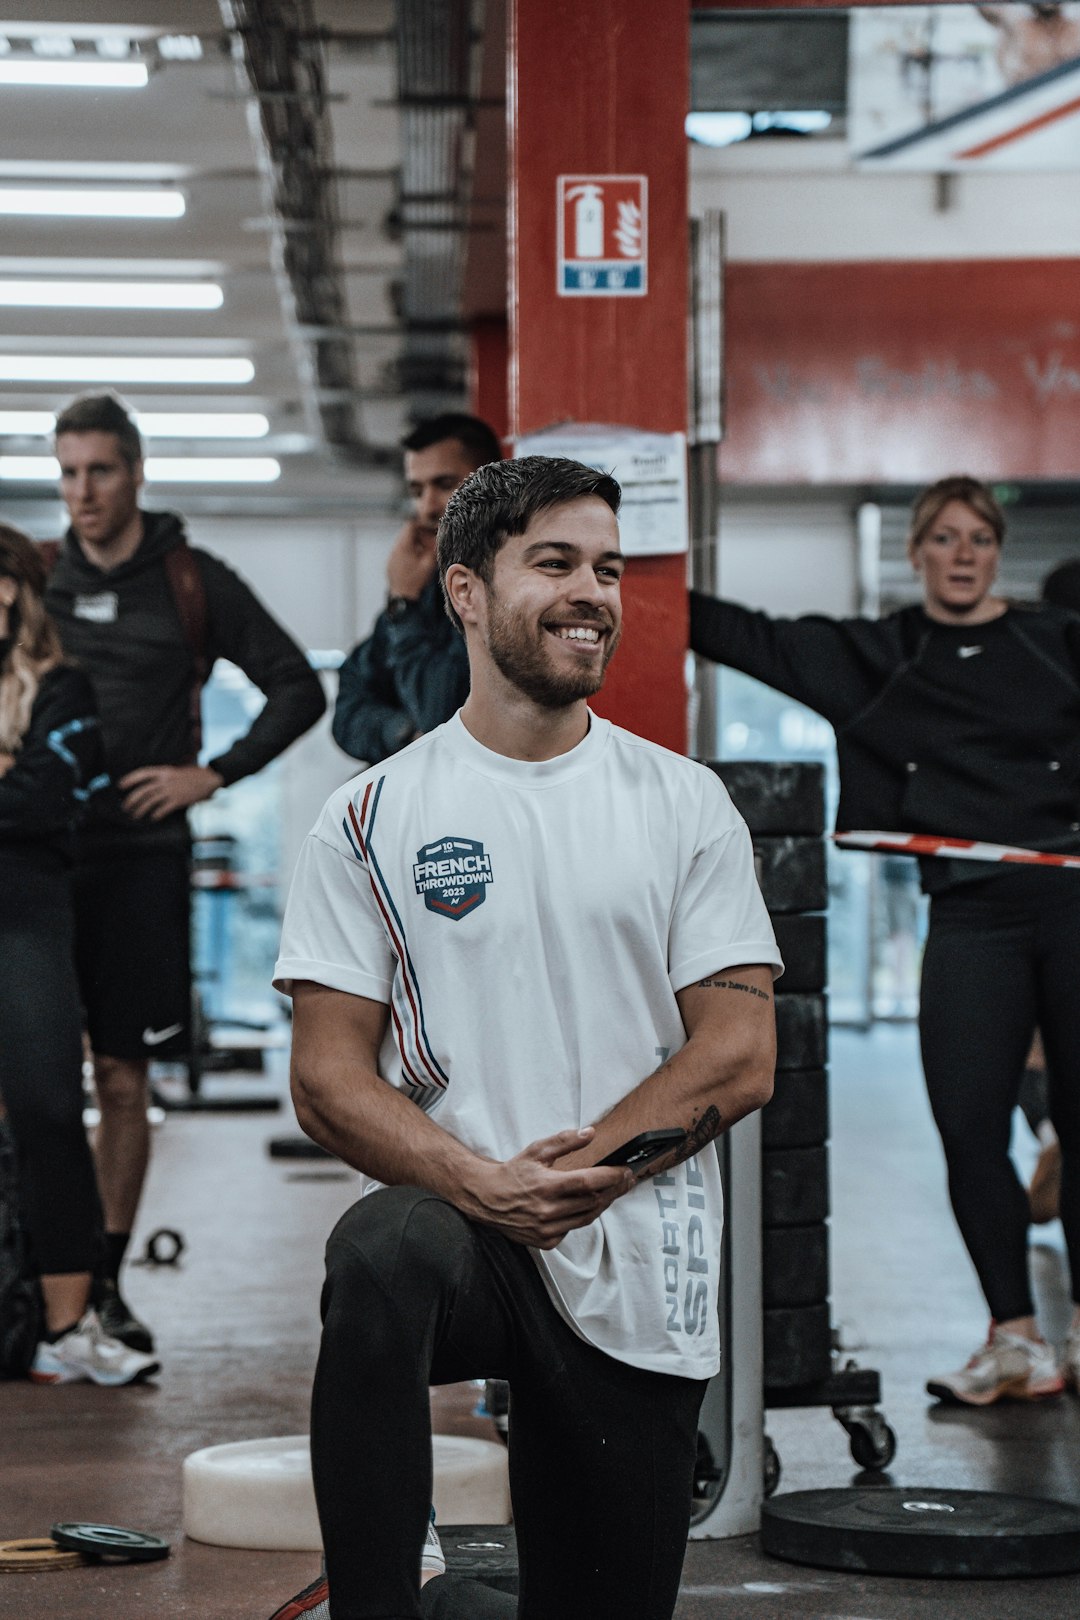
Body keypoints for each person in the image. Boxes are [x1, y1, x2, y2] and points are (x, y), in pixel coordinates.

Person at [270, 456, 780, 1620]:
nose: (592, 591)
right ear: (465, 591)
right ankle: (380, 1605)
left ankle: (460, 1601)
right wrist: (481, 1184)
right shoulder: (368, 818)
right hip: (469, 1229)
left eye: (607, 567)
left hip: (638, 1245)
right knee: (381, 1249)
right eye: (554, 562)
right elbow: (328, 1077)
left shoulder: (682, 802)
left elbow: (740, 1053)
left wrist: (579, 1175)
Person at [691, 474, 1080, 1406]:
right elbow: (749, 635)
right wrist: (620, 571)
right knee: (969, 1129)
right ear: (915, 553)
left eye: (977, 539)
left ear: (995, 551)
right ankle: (1016, 1340)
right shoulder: (882, 656)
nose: (960, 555)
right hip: (970, 915)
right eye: (941, 539)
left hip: (1073, 906)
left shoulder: (1058, 642)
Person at [45, 393, 326, 1355]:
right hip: (35, 864)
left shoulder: (192, 581)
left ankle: (108, 1284)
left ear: (136, 473)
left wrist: (213, 775)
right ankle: (34, 1278)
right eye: (69, 472)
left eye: (101, 471)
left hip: (140, 864)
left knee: (123, 1076)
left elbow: (299, 685)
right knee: (28, 1078)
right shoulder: (35, 579)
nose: (83, 492)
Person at [0, 523, 158, 1385]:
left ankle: (66, 1326)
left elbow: (41, 798)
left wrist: (17, 776)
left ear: (20, 595)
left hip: (26, 912)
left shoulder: (62, 690)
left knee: (50, 1111)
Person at [332, 413, 501, 765]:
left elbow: (438, 718)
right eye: (417, 490)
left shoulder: (503, 590)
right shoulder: (426, 588)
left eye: (444, 484)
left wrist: (402, 605)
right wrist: (405, 732)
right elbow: (347, 710)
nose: (427, 508)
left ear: (492, 483)